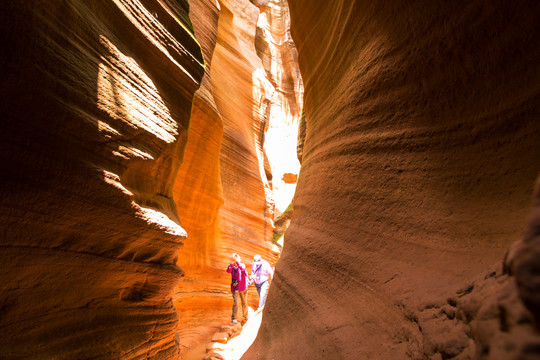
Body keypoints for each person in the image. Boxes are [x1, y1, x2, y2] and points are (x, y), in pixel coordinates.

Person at [226, 253, 249, 324]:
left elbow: (242, 268)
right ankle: (233, 318)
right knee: (236, 303)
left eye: (236, 259)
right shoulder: (232, 267)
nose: (234, 260)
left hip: (243, 287)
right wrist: (231, 263)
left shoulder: (242, 265)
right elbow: (228, 271)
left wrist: (237, 262)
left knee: (244, 302)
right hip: (235, 287)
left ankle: (245, 317)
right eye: (233, 259)